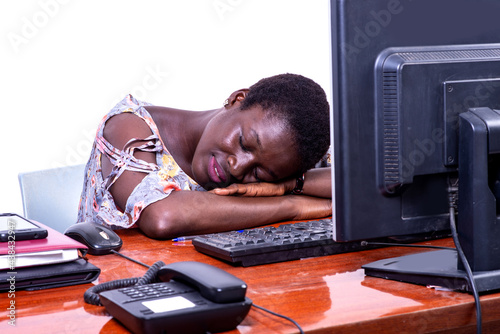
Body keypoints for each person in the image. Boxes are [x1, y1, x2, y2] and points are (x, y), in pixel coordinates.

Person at [77, 73, 332, 239]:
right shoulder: (130, 127)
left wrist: (289, 185)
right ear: (237, 99)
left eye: (259, 173)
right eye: (244, 143)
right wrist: (293, 206)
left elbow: (366, 181)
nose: (237, 166)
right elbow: (162, 216)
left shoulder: (282, 152)